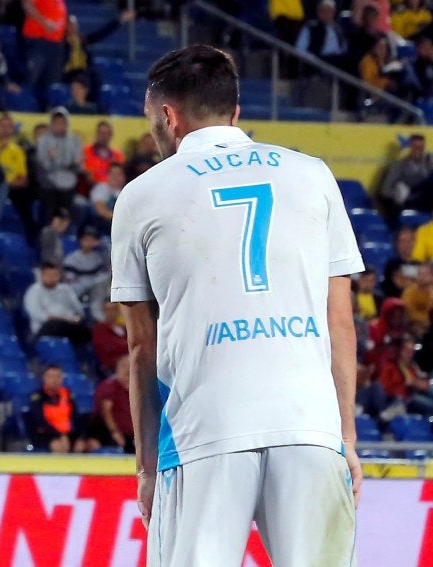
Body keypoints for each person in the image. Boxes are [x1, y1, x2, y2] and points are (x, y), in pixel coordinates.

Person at [111, 45, 361, 565]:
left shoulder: (141, 195)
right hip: (308, 426)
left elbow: (141, 346)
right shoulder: (313, 174)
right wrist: (345, 438)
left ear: (167, 116)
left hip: (204, 429)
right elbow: (341, 321)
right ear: (236, 113)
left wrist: (146, 467)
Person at [23, 261, 91, 344]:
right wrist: (61, 319)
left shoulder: (66, 289)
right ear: (42, 275)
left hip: (69, 323)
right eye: (49, 275)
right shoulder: (34, 291)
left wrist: (77, 318)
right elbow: (37, 314)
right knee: (55, 325)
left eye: (55, 275)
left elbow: (78, 309)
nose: (52, 278)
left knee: (90, 329)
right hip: (47, 327)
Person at [77, 355, 134, 453]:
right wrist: (114, 432)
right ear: (117, 369)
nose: (127, 370)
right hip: (106, 430)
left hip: (132, 433)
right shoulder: (109, 387)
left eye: (130, 367)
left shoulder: (140, 389)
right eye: (124, 366)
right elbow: (106, 411)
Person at [25, 364, 77, 453]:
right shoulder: (38, 396)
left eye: (58, 377)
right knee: (57, 446)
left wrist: (79, 437)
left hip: (67, 433)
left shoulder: (68, 394)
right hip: (47, 433)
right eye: (51, 377)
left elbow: (76, 417)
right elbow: (40, 420)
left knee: (81, 445)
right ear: (44, 378)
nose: (55, 380)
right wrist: (60, 435)